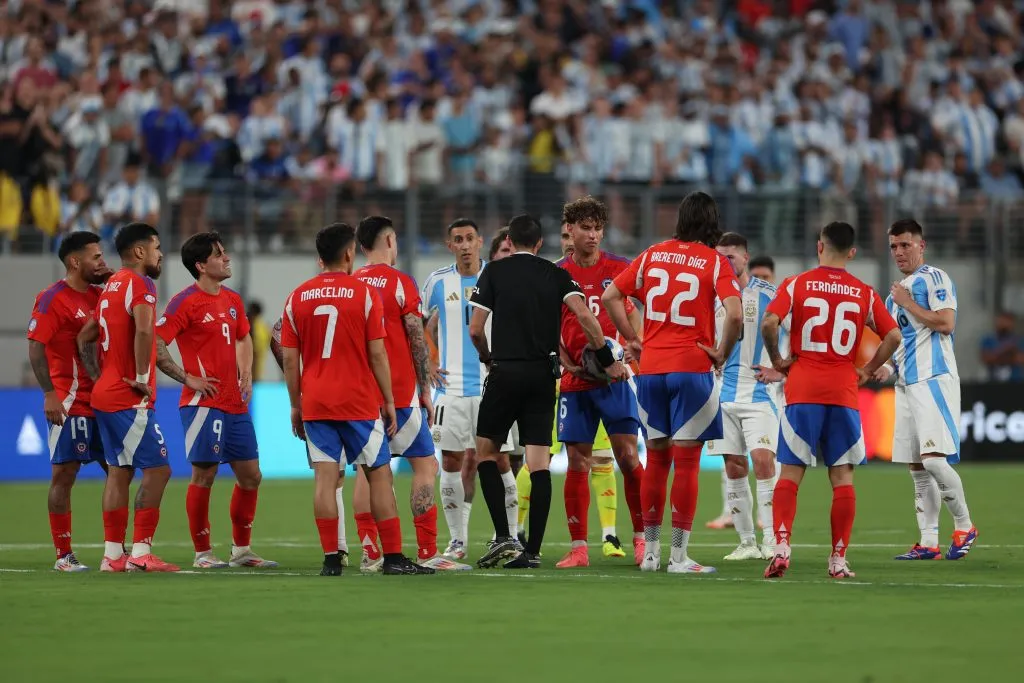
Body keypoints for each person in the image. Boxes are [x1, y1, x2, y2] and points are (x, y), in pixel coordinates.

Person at [470, 214, 623, 569]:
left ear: (510, 240)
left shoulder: (493, 271)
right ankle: (534, 550)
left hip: (505, 371)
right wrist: (605, 357)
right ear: (540, 244)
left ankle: (505, 537)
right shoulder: (556, 274)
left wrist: (488, 359)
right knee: (540, 463)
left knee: (485, 453)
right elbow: (585, 316)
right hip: (543, 375)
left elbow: (476, 329)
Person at [279, 222, 433, 576]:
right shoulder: (363, 294)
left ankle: (332, 559)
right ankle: (393, 557)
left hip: (316, 400)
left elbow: (290, 358)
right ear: (349, 253)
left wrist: (295, 404)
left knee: (325, 479)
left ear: (320, 257)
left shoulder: (297, 296)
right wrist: (390, 401)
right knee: (378, 473)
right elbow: (378, 355)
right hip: (359, 401)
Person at [603, 191, 743, 575]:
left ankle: (650, 553)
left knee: (657, 459)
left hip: (651, 370)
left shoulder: (653, 253)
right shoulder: (714, 261)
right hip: (692, 368)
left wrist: (633, 339)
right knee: (687, 463)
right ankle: (679, 557)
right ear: (712, 222)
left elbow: (611, 294)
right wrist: (721, 353)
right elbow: (734, 315)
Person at [760, 221, 901, 579]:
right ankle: (837, 559)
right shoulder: (863, 292)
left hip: (803, 388)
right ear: (852, 253)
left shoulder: (796, 285)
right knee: (842, 478)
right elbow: (894, 336)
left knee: (790, 473)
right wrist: (868, 370)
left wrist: (778, 360)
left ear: (819, 247)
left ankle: (780, 547)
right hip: (843, 390)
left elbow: (769, 322)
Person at [353, 215, 471, 572]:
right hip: (400, 392)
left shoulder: (352, 284)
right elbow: (416, 337)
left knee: (368, 471)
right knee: (425, 465)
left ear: (361, 248)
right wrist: (423, 386)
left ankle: (370, 551)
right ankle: (426, 551)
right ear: (390, 242)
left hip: (360, 394)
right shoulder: (400, 282)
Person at [155, 232, 276, 569]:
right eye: (219, 254)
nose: (226, 258)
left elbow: (244, 338)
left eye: (224, 252)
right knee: (204, 475)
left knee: (251, 475)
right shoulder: (184, 302)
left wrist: (247, 372)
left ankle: (241, 551)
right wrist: (187, 377)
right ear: (200, 265)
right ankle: (202, 553)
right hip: (202, 404)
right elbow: (156, 342)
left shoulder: (234, 300)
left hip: (234, 403)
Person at [77, 222, 179, 573]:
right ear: (139, 252)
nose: (160, 253)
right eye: (156, 246)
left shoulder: (110, 287)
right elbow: (146, 328)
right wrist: (138, 376)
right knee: (160, 470)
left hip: (105, 393)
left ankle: (112, 555)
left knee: (119, 472)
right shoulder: (139, 283)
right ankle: (140, 552)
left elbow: (84, 337)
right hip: (127, 395)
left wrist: (97, 375)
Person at [552, 196, 645, 569]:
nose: (592, 235)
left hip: (615, 380)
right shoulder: (556, 273)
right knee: (577, 461)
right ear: (570, 231)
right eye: (585, 228)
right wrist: (563, 361)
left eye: (597, 228)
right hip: (577, 382)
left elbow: (638, 312)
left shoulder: (620, 268)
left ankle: (641, 540)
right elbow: (548, 327)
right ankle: (578, 549)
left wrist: (633, 350)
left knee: (626, 456)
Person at [879, 219, 977, 561]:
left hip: (933, 378)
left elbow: (946, 324)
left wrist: (907, 303)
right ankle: (928, 542)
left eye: (905, 245)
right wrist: (888, 367)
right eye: (894, 246)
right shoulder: (897, 294)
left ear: (922, 245)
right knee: (917, 467)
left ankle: (964, 525)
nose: (899, 252)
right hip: (906, 384)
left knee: (934, 460)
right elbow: (905, 342)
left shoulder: (934, 278)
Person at [421, 218, 516, 561]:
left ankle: (509, 536)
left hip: (492, 386)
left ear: (480, 242)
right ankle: (457, 540)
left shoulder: (498, 276)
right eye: (457, 239)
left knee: (501, 460)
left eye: (469, 238)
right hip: (452, 389)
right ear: (450, 246)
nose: (463, 245)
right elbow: (416, 324)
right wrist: (428, 364)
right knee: (450, 460)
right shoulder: (436, 281)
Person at [27, 232, 112, 571]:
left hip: (105, 400)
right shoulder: (51, 299)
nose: (102, 262)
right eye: (96, 257)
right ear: (75, 262)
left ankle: (116, 552)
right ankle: (63, 555)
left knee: (119, 471)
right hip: (70, 399)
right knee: (65, 474)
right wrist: (49, 393)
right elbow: (35, 347)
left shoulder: (102, 295)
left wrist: (115, 280)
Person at [706, 233, 783, 561]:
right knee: (734, 467)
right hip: (721, 395)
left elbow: (798, 330)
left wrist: (783, 368)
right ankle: (747, 542)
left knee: (764, 462)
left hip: (759, 394)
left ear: (745, 256)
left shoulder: (769, 294)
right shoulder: (709, 295)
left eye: (731, 257)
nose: (726, 262)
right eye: (720, 256)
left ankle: (770, 540)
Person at [979, 311, 1024, 382]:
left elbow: (1020, 359)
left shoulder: (1019, 340)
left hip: (1015, 382)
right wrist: (1006, 350)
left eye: (1008, 321)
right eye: (1002, 321)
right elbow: (986, 359)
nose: (1004, 324)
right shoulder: (988, 339)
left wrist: (997, 357)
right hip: (993, 381)